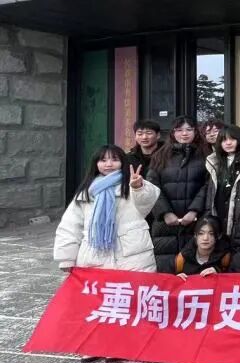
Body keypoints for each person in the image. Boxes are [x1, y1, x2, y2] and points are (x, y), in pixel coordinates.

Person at [54, 145, 160, 274]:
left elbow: (147, 203)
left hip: (133, 258)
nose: (109, 164)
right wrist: (66, 258)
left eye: (114, 160)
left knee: (134, 287)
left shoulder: (131, 186)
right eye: (103, 160)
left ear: (122, 162)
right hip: (94, 258)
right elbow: (69, 227)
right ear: (96, 164)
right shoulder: (87, 192)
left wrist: (138, 187)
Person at [147, 116, 209, 271]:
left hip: (195, 222)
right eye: (179, 130)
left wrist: (194, 211)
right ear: (173, 133)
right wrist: (165, 213)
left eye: (189, 129)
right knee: (166, 269)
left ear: (196, 132)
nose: (184, 133)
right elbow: (152, 186)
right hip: (165, 224)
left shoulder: (206, 155)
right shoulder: (160, 155)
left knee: (195, 269)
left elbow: (208, 186)